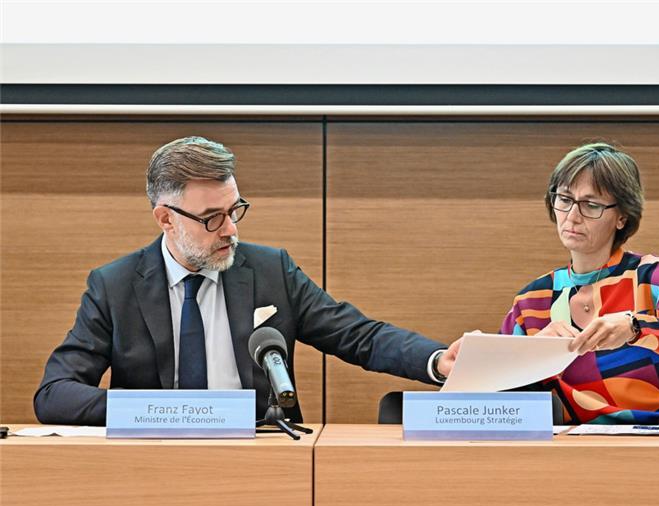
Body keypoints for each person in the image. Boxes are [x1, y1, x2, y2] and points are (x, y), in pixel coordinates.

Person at [34, 136, 458, 425]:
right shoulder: (116, 285)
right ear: (166, 219)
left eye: (235, 210)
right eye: (212, 218)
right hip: (155, 458)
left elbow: (359, 335)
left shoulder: (270, 270)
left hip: (265, 450)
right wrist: (158, 410)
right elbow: (55, 393)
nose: (230, 230)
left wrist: (436, 360)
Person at [437, 142, 659, 425]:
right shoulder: (533, 299)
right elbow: (499, 392)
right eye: (564, 199)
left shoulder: (653, 276)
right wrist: (530, 350)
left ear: (622, 217)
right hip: (568, 444)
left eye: (591, 205)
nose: (572, 216)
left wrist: (635, 327)